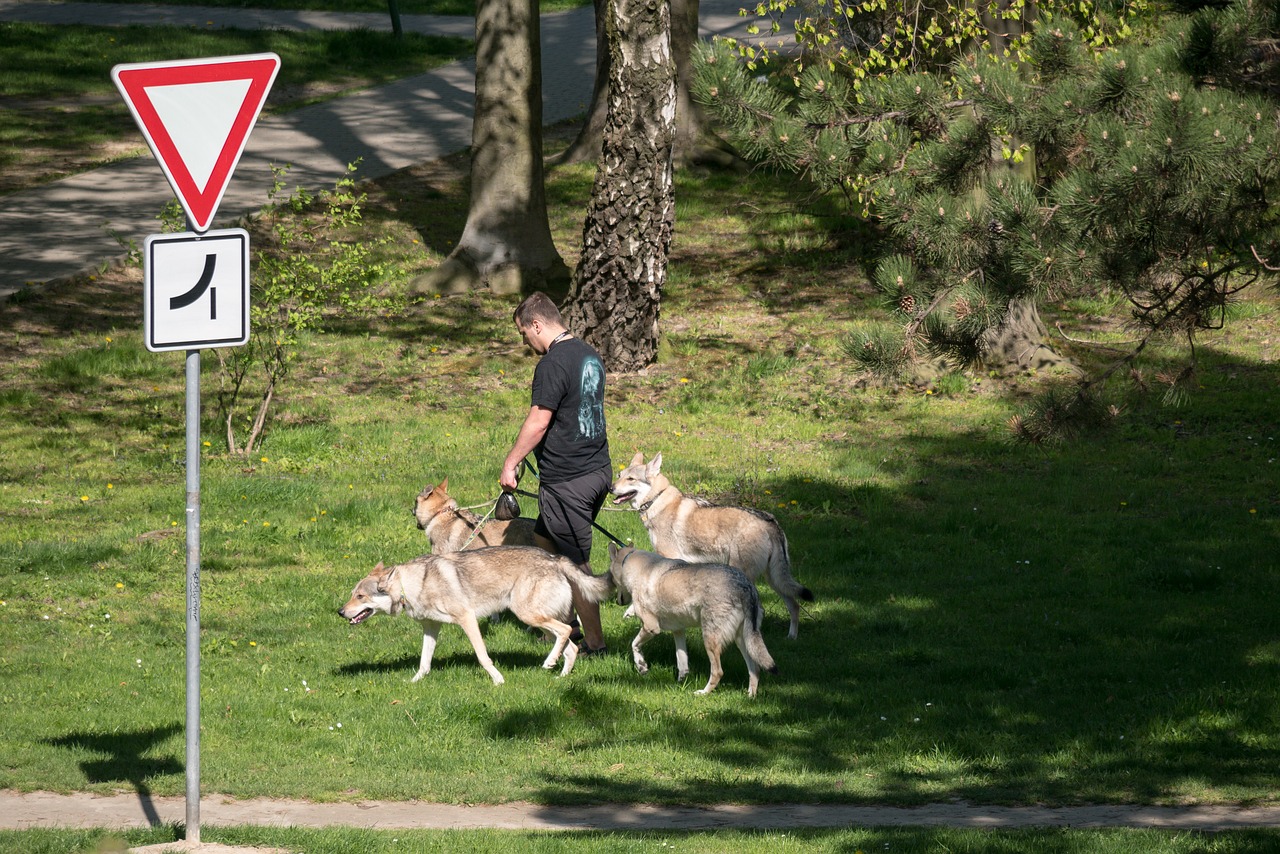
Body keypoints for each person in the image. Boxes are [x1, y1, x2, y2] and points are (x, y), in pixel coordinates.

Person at [500, 292, 612, 655]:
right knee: (544, 539)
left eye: (524, 334)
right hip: (598, 471)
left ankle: (593, 644)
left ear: (537, 324)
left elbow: (538, 421)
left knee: (575, 564)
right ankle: (568, 620)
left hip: (568, 481)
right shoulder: (589, 355)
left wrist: (511, 462)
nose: (525, 342)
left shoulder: (551, 364)